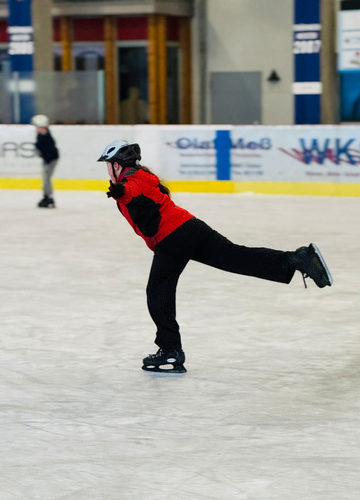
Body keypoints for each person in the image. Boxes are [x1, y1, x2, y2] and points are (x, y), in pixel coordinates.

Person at [98, 140, 333, 374]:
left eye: (108, 165)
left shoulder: (135, 179)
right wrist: (123, 192)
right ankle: (297, 259)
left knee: (158, 292)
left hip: (173, 238)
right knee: (236, 257)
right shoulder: (139, 177)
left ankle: (170, 351)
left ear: (116, 165)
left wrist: (123, 191)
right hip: (190, 229)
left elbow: (135, 189)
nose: (107, 170)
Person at [31, 114, 59, 208]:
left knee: (46, 178)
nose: (36, 129)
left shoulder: (47, 138)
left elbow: (50, 151)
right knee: (45, 178)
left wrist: (47, 161)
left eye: (38, 127)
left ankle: (49, 197)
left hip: (50, 160)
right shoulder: (40, 136)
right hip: (47, 159)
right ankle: (46, 196)